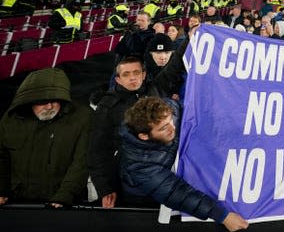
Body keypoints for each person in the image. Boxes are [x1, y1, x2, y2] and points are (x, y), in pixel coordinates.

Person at [118, 96, 249, 232]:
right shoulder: (138, 164)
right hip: (145, 200)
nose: (172, 127)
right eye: (164, 128)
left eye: (171, 121)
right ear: (144, 136)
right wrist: (222, 215)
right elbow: (174, 192)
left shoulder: (169, 108)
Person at [89, 34, 189, 209]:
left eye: (136, 73)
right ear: (118, 79)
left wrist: (190, 39)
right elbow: (98, 150)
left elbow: (175, 66)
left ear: (144, 74)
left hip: (165, 174)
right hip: (130, 183)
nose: (132, 78)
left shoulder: (156, 88)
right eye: (126, 74)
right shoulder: (107, 106)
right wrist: (105, 188)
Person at [0, 68, 90, 207]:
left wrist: (64, 196)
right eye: (42, 102)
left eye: (55, 100)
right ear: (28, 101)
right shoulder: (11, 119)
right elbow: (2, 157)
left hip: (63, 204)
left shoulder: (82, 117)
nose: (49, 106)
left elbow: (81, 163)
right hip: (16, 204)